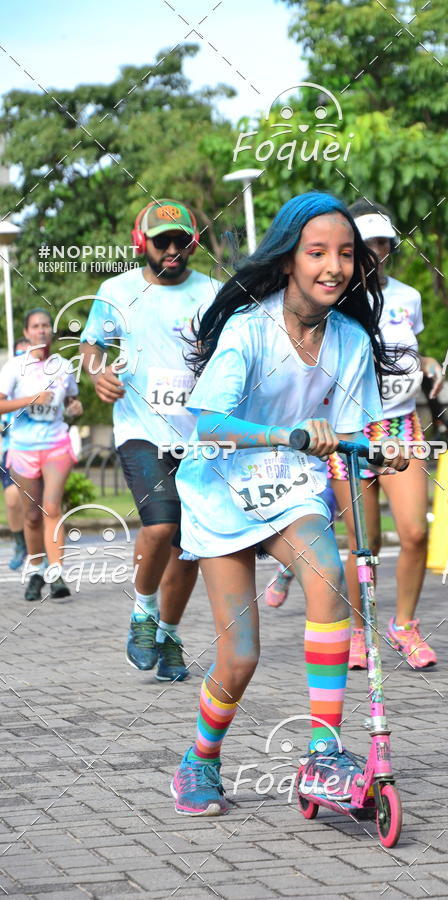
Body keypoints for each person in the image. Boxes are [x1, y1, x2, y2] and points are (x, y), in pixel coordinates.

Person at [170, 191, 409, 816]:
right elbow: (207, 423)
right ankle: (200, 759)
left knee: (327, 569)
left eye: (346, 255)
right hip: (219, 488)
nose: (334, 266)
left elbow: (362, 426)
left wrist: (386, 448)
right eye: (317, 252)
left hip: (290, 485)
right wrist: (284, 433)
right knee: (240, 656)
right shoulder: (249, 329)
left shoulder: (353, 340)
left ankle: (324, 754)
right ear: (287, 262)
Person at [80, 198, 218, 682]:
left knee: (189, 547)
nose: (174, 249)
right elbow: (90, 344)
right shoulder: (116, 290)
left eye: (182, 240)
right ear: (144, 244)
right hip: (140, 428)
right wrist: (98, 373)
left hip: (199, 438)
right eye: (164, 242)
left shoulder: (214, 292)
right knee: (160, 526)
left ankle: (171, 636)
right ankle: (143, 611)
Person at [327, 200, 443, 670]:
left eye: (382, 244)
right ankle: (358, 631)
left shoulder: (409, 297)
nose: (375, 253)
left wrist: (429, 363)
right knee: (365, 543)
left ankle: (405, 626)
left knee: (415, 532)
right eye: (365, 244)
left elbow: (408, 350)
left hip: (401, 426)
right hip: (350, 432)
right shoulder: (333, 299)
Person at [0, 310, 82, 601]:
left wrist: (75, 407)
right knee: (32, 516)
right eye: (36, 326)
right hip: (23, 447)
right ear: (27, 332)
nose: (42, 330)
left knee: (52, 508)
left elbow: (71, 398)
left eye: (46, 325)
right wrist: (31, 399)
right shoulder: (14, 367)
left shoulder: (63, 365)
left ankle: (56, 572)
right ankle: (36, 568)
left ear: (51, 331)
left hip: (56, 443)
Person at [1, 337, 30, 570]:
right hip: (11, 450)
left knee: (40, 505)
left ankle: (45, 551)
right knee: (12, 500)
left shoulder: (41, 382)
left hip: (40, 448)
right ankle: (21, 544)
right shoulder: (7, 386)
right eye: (19, 353)